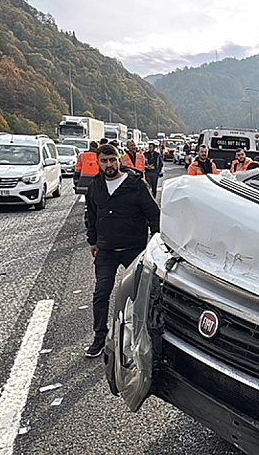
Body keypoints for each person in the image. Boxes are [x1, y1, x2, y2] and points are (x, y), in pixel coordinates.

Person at [84, 144, 160, 358]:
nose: (109, 164)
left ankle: (142, 337)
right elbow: (90, 214)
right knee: (101, 294)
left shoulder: (136, 184)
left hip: (133, 249)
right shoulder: (94, 186)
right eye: (104, 161)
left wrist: (155, 242)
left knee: (140, 295)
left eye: (112, 160)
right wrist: (93, 241)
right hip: (106, 249)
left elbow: (153, 214)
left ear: (119, 160)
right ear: (98, 162)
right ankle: (100, 337)